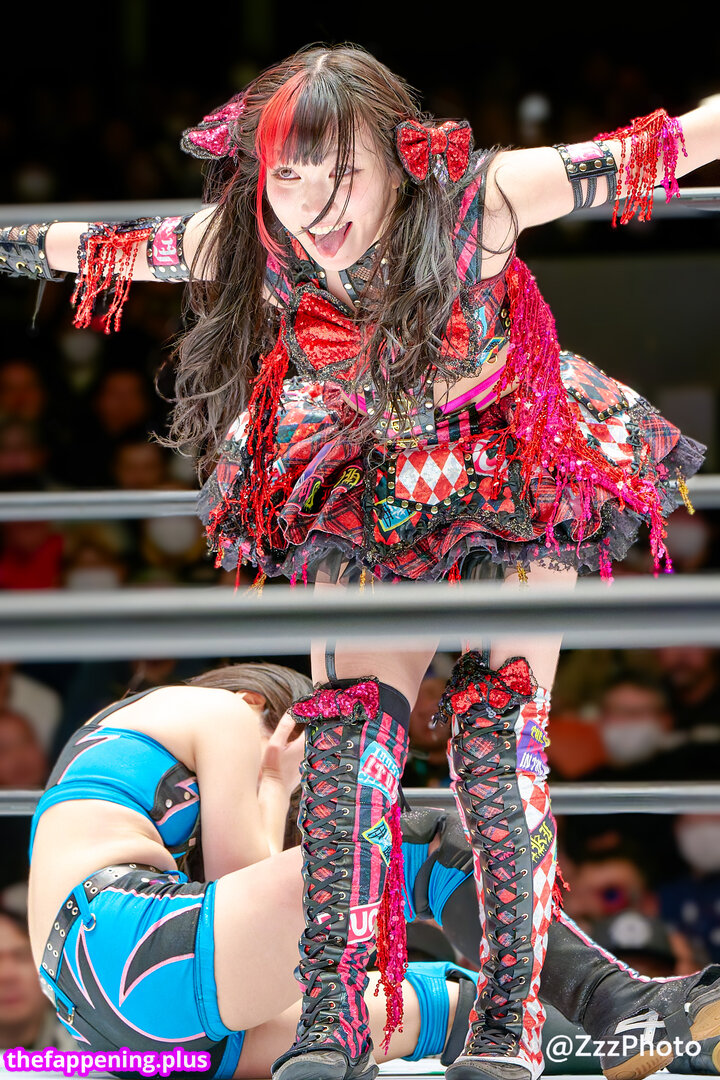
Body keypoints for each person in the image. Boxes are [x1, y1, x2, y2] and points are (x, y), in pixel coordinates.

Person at [4, 42, 720, 1080]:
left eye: (339, 171)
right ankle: (335, 1019)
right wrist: (12, 248)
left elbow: (668, 145)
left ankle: (511, 1025)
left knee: (497, 746)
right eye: (288, 175)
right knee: (346, 749)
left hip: (515, 471)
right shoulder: (261, 236)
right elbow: (119, 246)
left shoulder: (478, 201)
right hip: (369, 486)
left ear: (397, 153)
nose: (313, 205)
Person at [26, 666, 720, 1080]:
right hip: (131, 942)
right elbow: (247, 873)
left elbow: (238, 917)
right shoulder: (225, 713)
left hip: (111, 1025)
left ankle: (653, 1044)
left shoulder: (118, 746)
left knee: (439, 1003)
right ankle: (616, 1001)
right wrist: (276, 779)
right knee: (416, 843)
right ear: (276, 712)